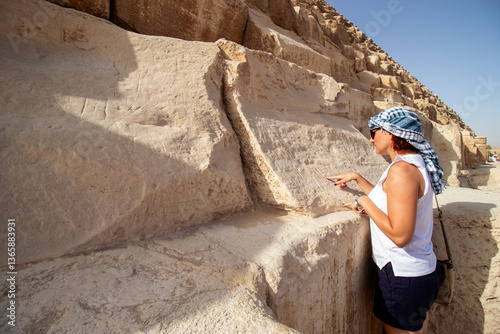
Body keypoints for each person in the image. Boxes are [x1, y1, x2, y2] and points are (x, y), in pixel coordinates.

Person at [326, 107, 446, 334]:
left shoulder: (401, 171)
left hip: (404, 277)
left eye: (374, 132)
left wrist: (363, 202)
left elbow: (400, 235)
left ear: (391, 133)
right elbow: (392, 201)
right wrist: (358, 179)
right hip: (422, 273)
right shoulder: (411, 165)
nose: (371, 140)